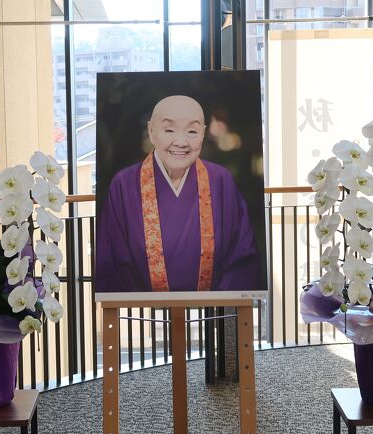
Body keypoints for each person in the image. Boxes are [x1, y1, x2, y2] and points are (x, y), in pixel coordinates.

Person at [96, 95, 260, 293]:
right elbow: (113, 259)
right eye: (169, 130)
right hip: (142, 315)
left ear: (203, 134)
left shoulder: (220, 180)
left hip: (210, 313)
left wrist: (220, 303)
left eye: (192, 131)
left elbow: (241, 256)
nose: (181, 142)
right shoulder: (124, 184)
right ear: (151, 131)